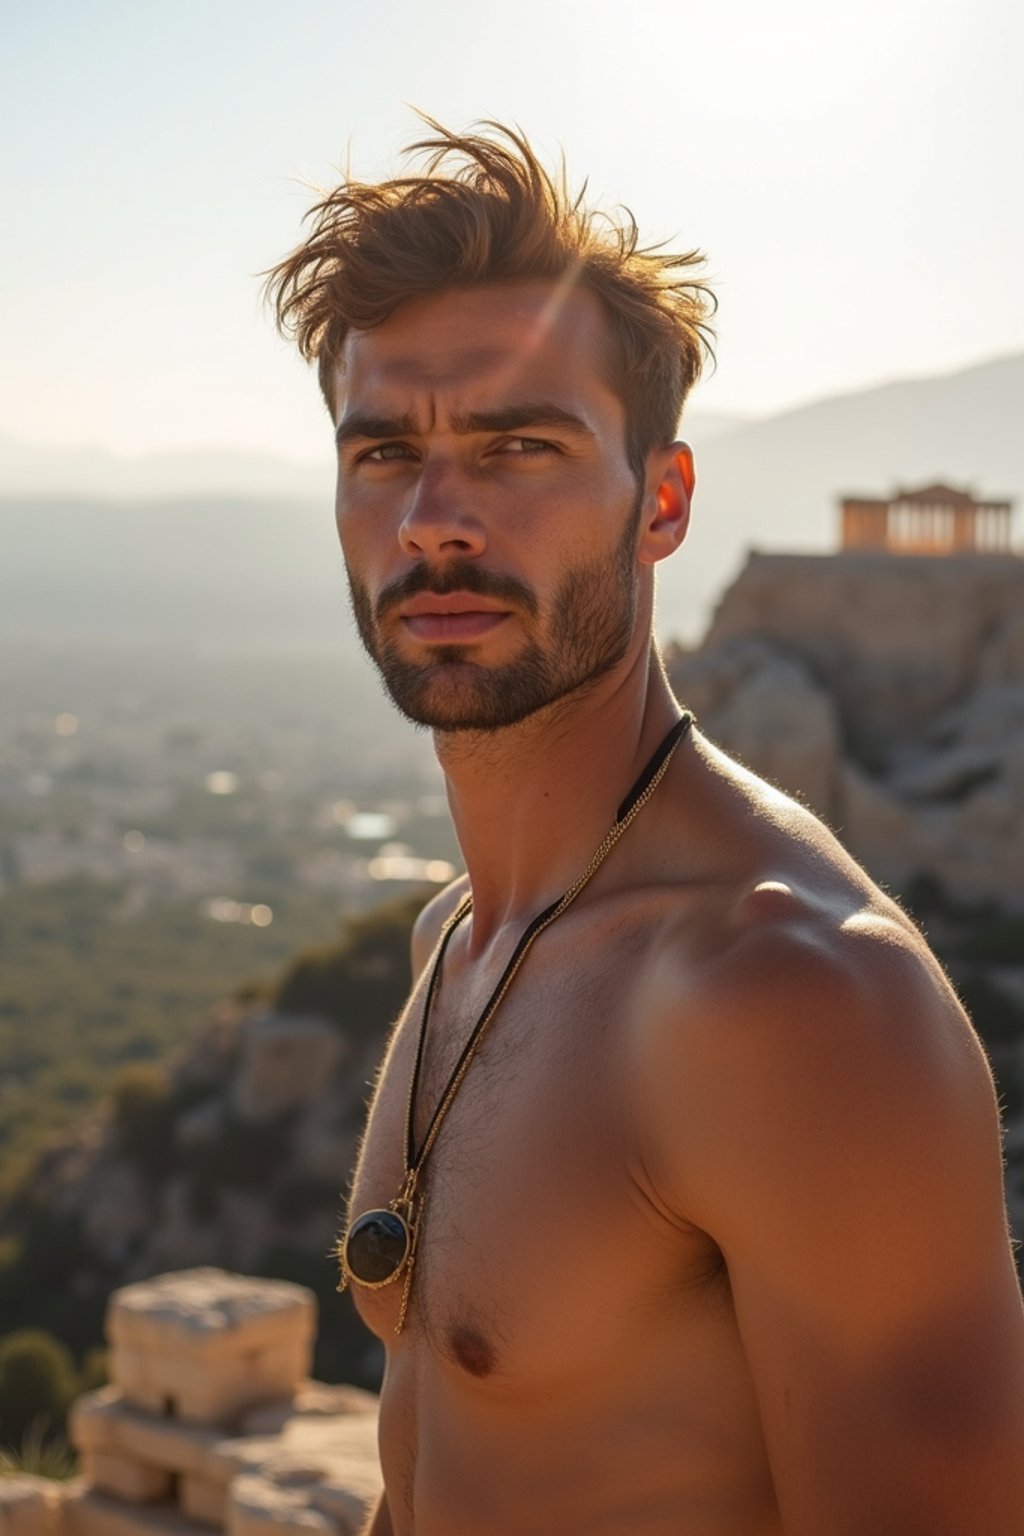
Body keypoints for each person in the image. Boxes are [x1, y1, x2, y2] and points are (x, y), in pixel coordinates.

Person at [267, 120, 1024, 1536]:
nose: (435, 518)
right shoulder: (461, 938)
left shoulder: (798, 1002)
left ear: (659, 502)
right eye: (383, 454)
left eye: (518, 447)